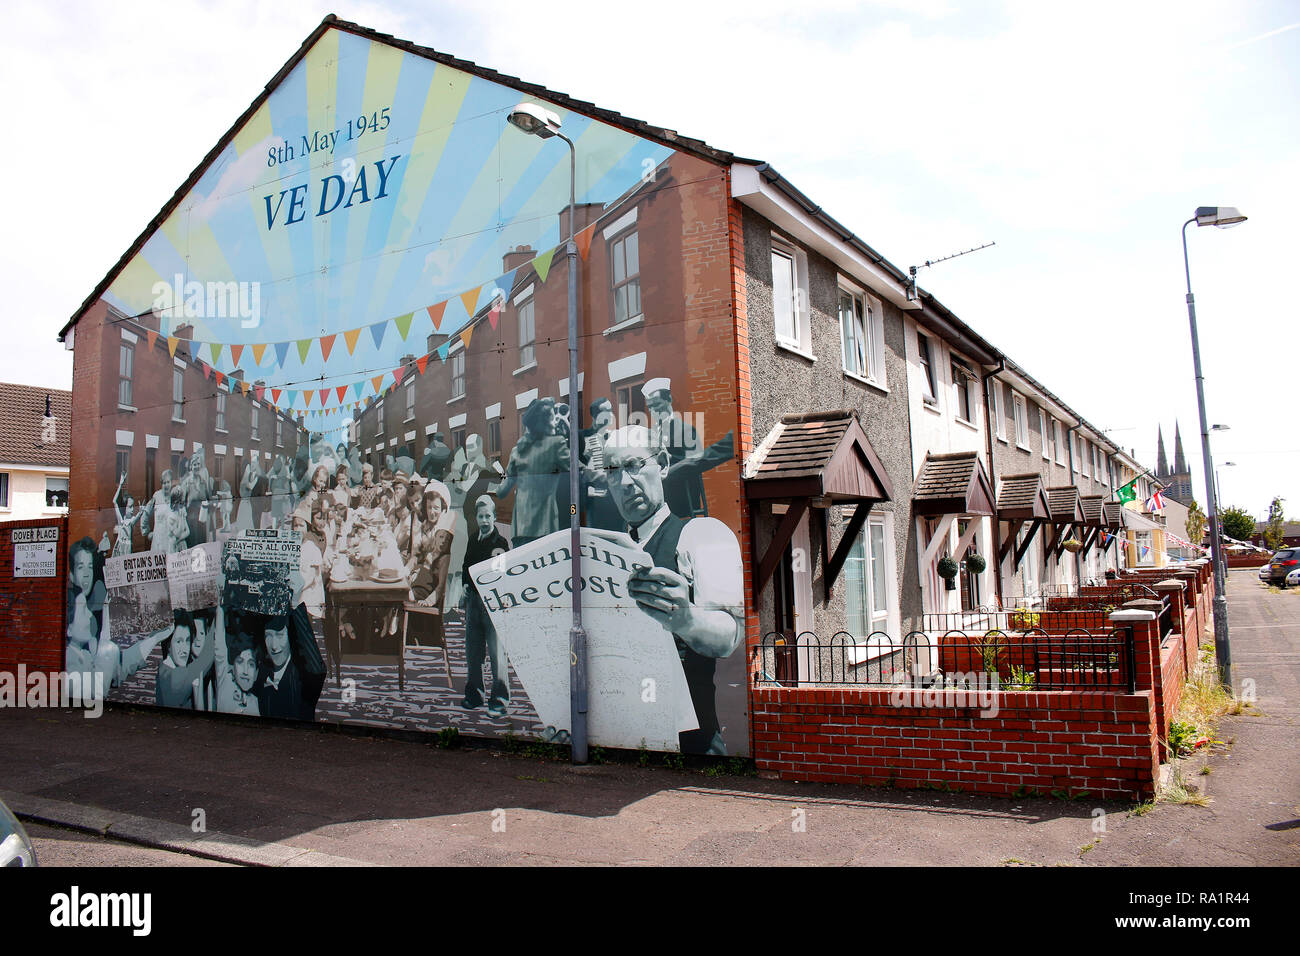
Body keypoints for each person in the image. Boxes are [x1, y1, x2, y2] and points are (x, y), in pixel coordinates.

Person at [603, 425, 744, 755]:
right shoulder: (607, 552)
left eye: (635, 465)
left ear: (663, 464)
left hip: (691, 749)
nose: (625, 482)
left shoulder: (701, 534)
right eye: (612, 471)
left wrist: (686, 619)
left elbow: (729, 636)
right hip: (621, 744)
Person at [459, 494, 511, 716]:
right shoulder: (473, 539)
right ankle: (474, 694)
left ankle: (499, 700)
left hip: (492, 603)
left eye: (488, 516)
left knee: (497, 652)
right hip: (473, 602)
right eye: (480, 516)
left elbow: (501, 574)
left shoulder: (500, 543)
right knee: (473, 651)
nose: (484, 520)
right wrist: (463, 584)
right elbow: (465, 566)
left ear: (494, 517)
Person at [492, 399, 567, 548]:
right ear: (545, 422)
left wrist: (492, 489)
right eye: (553, 418)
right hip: (544, 527)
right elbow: (579, 470)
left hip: (520, 528)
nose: (555, 422)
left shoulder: (517, 450)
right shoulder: (555, 444)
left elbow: (502, 491)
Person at [253, 607, 326, 721]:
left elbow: (316, 665)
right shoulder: (260, 675)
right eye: (268, 635)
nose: (274, 646)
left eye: (280, 635)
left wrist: (296, 606)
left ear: (289, 636)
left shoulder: (305, 673)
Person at [154, 608, 216, 710]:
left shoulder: (164, 668)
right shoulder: (170, 676)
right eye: (178, 641)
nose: (185, 649)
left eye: (187, 641)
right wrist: (218, 616)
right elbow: (205, 660)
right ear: (168, 645)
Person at [579, 398, 625, 532]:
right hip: (595, 499)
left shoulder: (617, 436)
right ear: (595, 416)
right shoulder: (583, 437)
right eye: (606, 411)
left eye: (611, 410)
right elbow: (578, 468)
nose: (611, 414)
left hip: (616, 497)